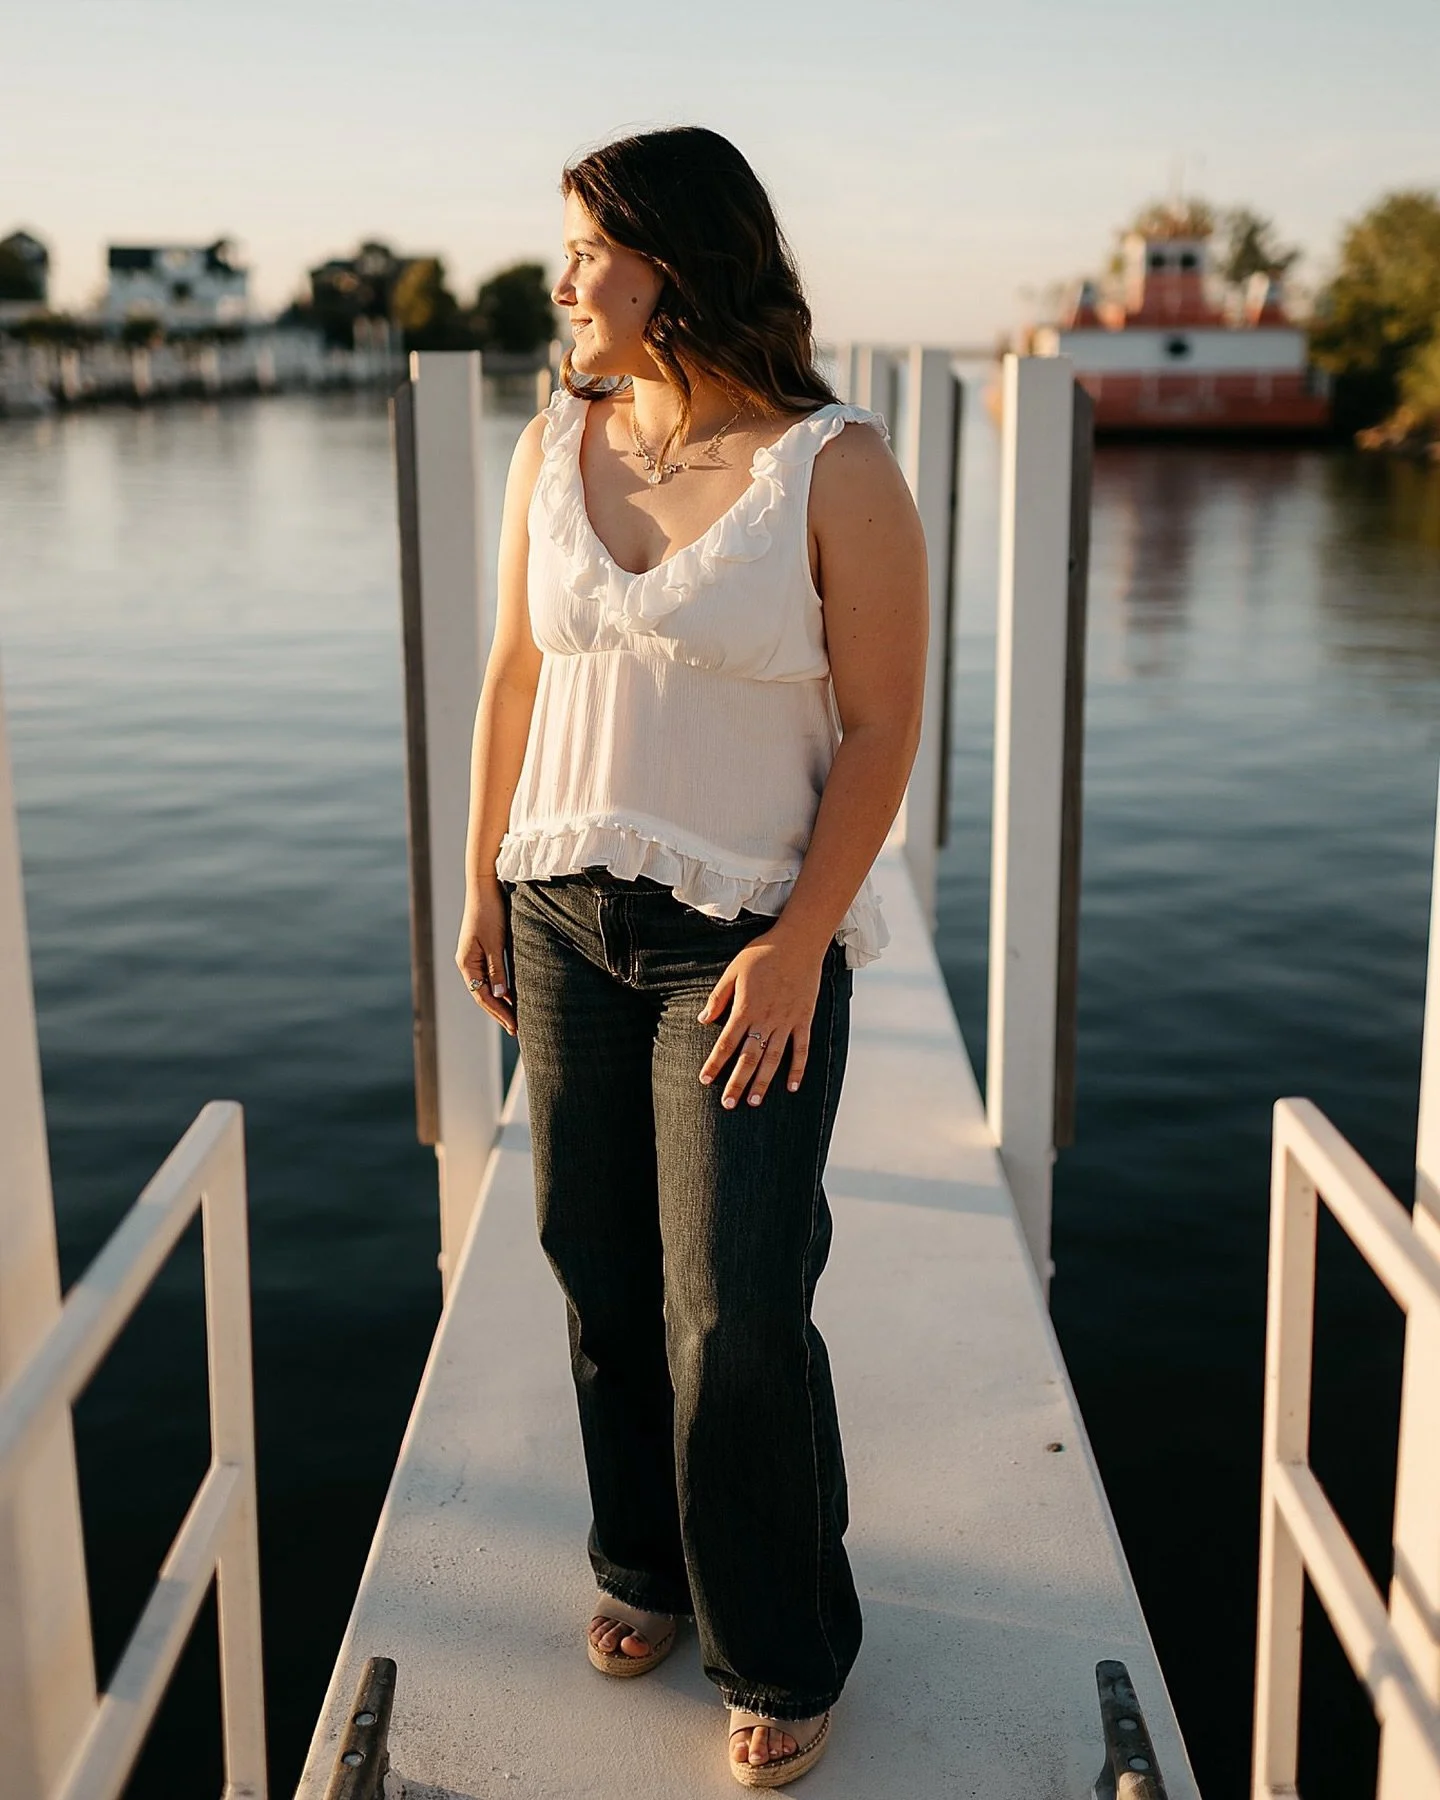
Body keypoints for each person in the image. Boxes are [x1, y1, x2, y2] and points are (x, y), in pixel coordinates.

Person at [454, 125, 927, 1787]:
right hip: (563, 907)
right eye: (566, 248)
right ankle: (641, 1563)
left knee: (733, 1304)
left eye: (588, 247)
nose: (561, 277)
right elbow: (514, 680)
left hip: (743, 942)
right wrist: (480, 884)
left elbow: (879, 730)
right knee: (596, 1263)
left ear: (677, 259)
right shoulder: (551, 444)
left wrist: (805, 941)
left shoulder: (833, 466)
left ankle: (786, 1641)